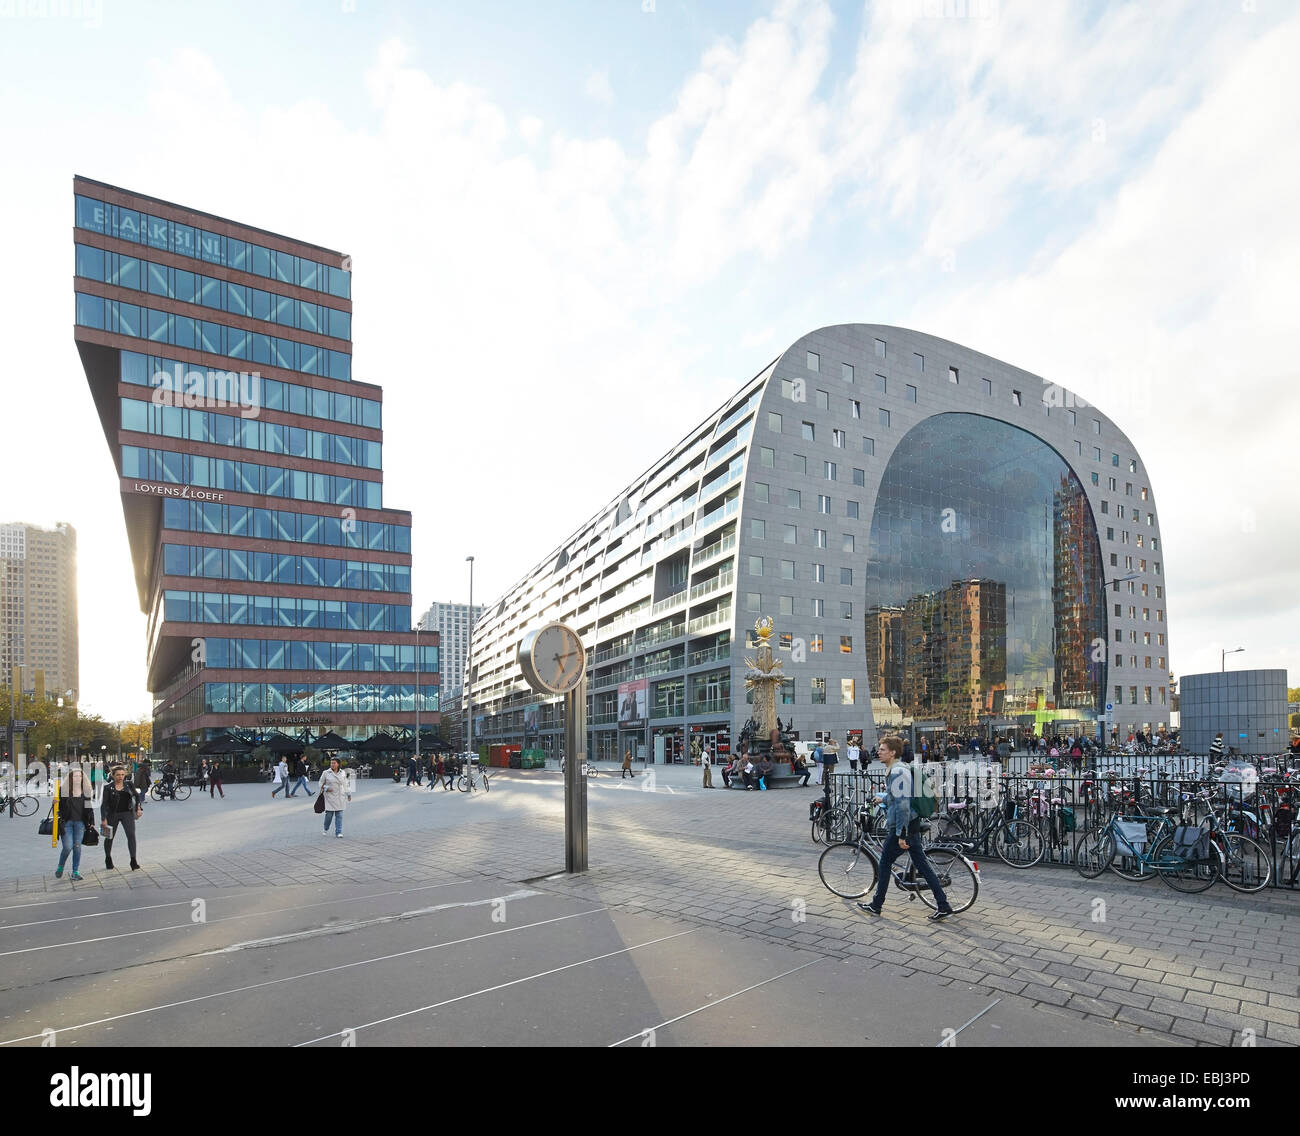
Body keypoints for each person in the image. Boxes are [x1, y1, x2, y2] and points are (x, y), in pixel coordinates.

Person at [857, 735, 954, 921]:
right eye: (880, 748)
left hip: (904, 826)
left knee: (885, 863)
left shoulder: (897, 772)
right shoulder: (898, 769)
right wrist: (883, 798)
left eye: (883, 749)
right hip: (910, 824)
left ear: (893, 752)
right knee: (922, 865)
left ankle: (877, 905)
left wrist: (901, 834)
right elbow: (897, 796)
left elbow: (903, 805)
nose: (879, 751)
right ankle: (943, 905)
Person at [55, 764, 96, 881]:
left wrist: (92, 821)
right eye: (75, 776)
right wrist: (54, 803)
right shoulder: (63, 790)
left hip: (80, 823)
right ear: (71, 778)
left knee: (77, 847)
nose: (78, 778)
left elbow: (89, 808)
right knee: (67, 847)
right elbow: (56, 809)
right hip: (66, 823)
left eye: (80, 776)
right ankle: (60, 866)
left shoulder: (86, 791)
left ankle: (75, 872)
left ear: (83, 778)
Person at [101, 764, 143, 871]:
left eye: (123, 775)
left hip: (127, 814)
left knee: (131, 835)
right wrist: (103, 819)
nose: (120, 777)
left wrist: (138, 808)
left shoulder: (129, 784)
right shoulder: (107, 788)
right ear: (113, 775)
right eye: (118, 775)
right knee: (109, 837)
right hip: (112, 815)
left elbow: (137, 796)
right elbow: (104, 805)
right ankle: (108, 858)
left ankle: (133, 860)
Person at [319, 758, 351, 837]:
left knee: (339, 815)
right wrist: (326, 788)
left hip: (340, 797)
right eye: (331, 763)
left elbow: (346, 784)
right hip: (330, 797)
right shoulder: (326, 773)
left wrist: (349, 794)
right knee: (329, 815)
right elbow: (320, 783)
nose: (332, 764)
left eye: (334, 763)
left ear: (338, 764)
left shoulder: (343, 773)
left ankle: (338, 832)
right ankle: (326, 828)